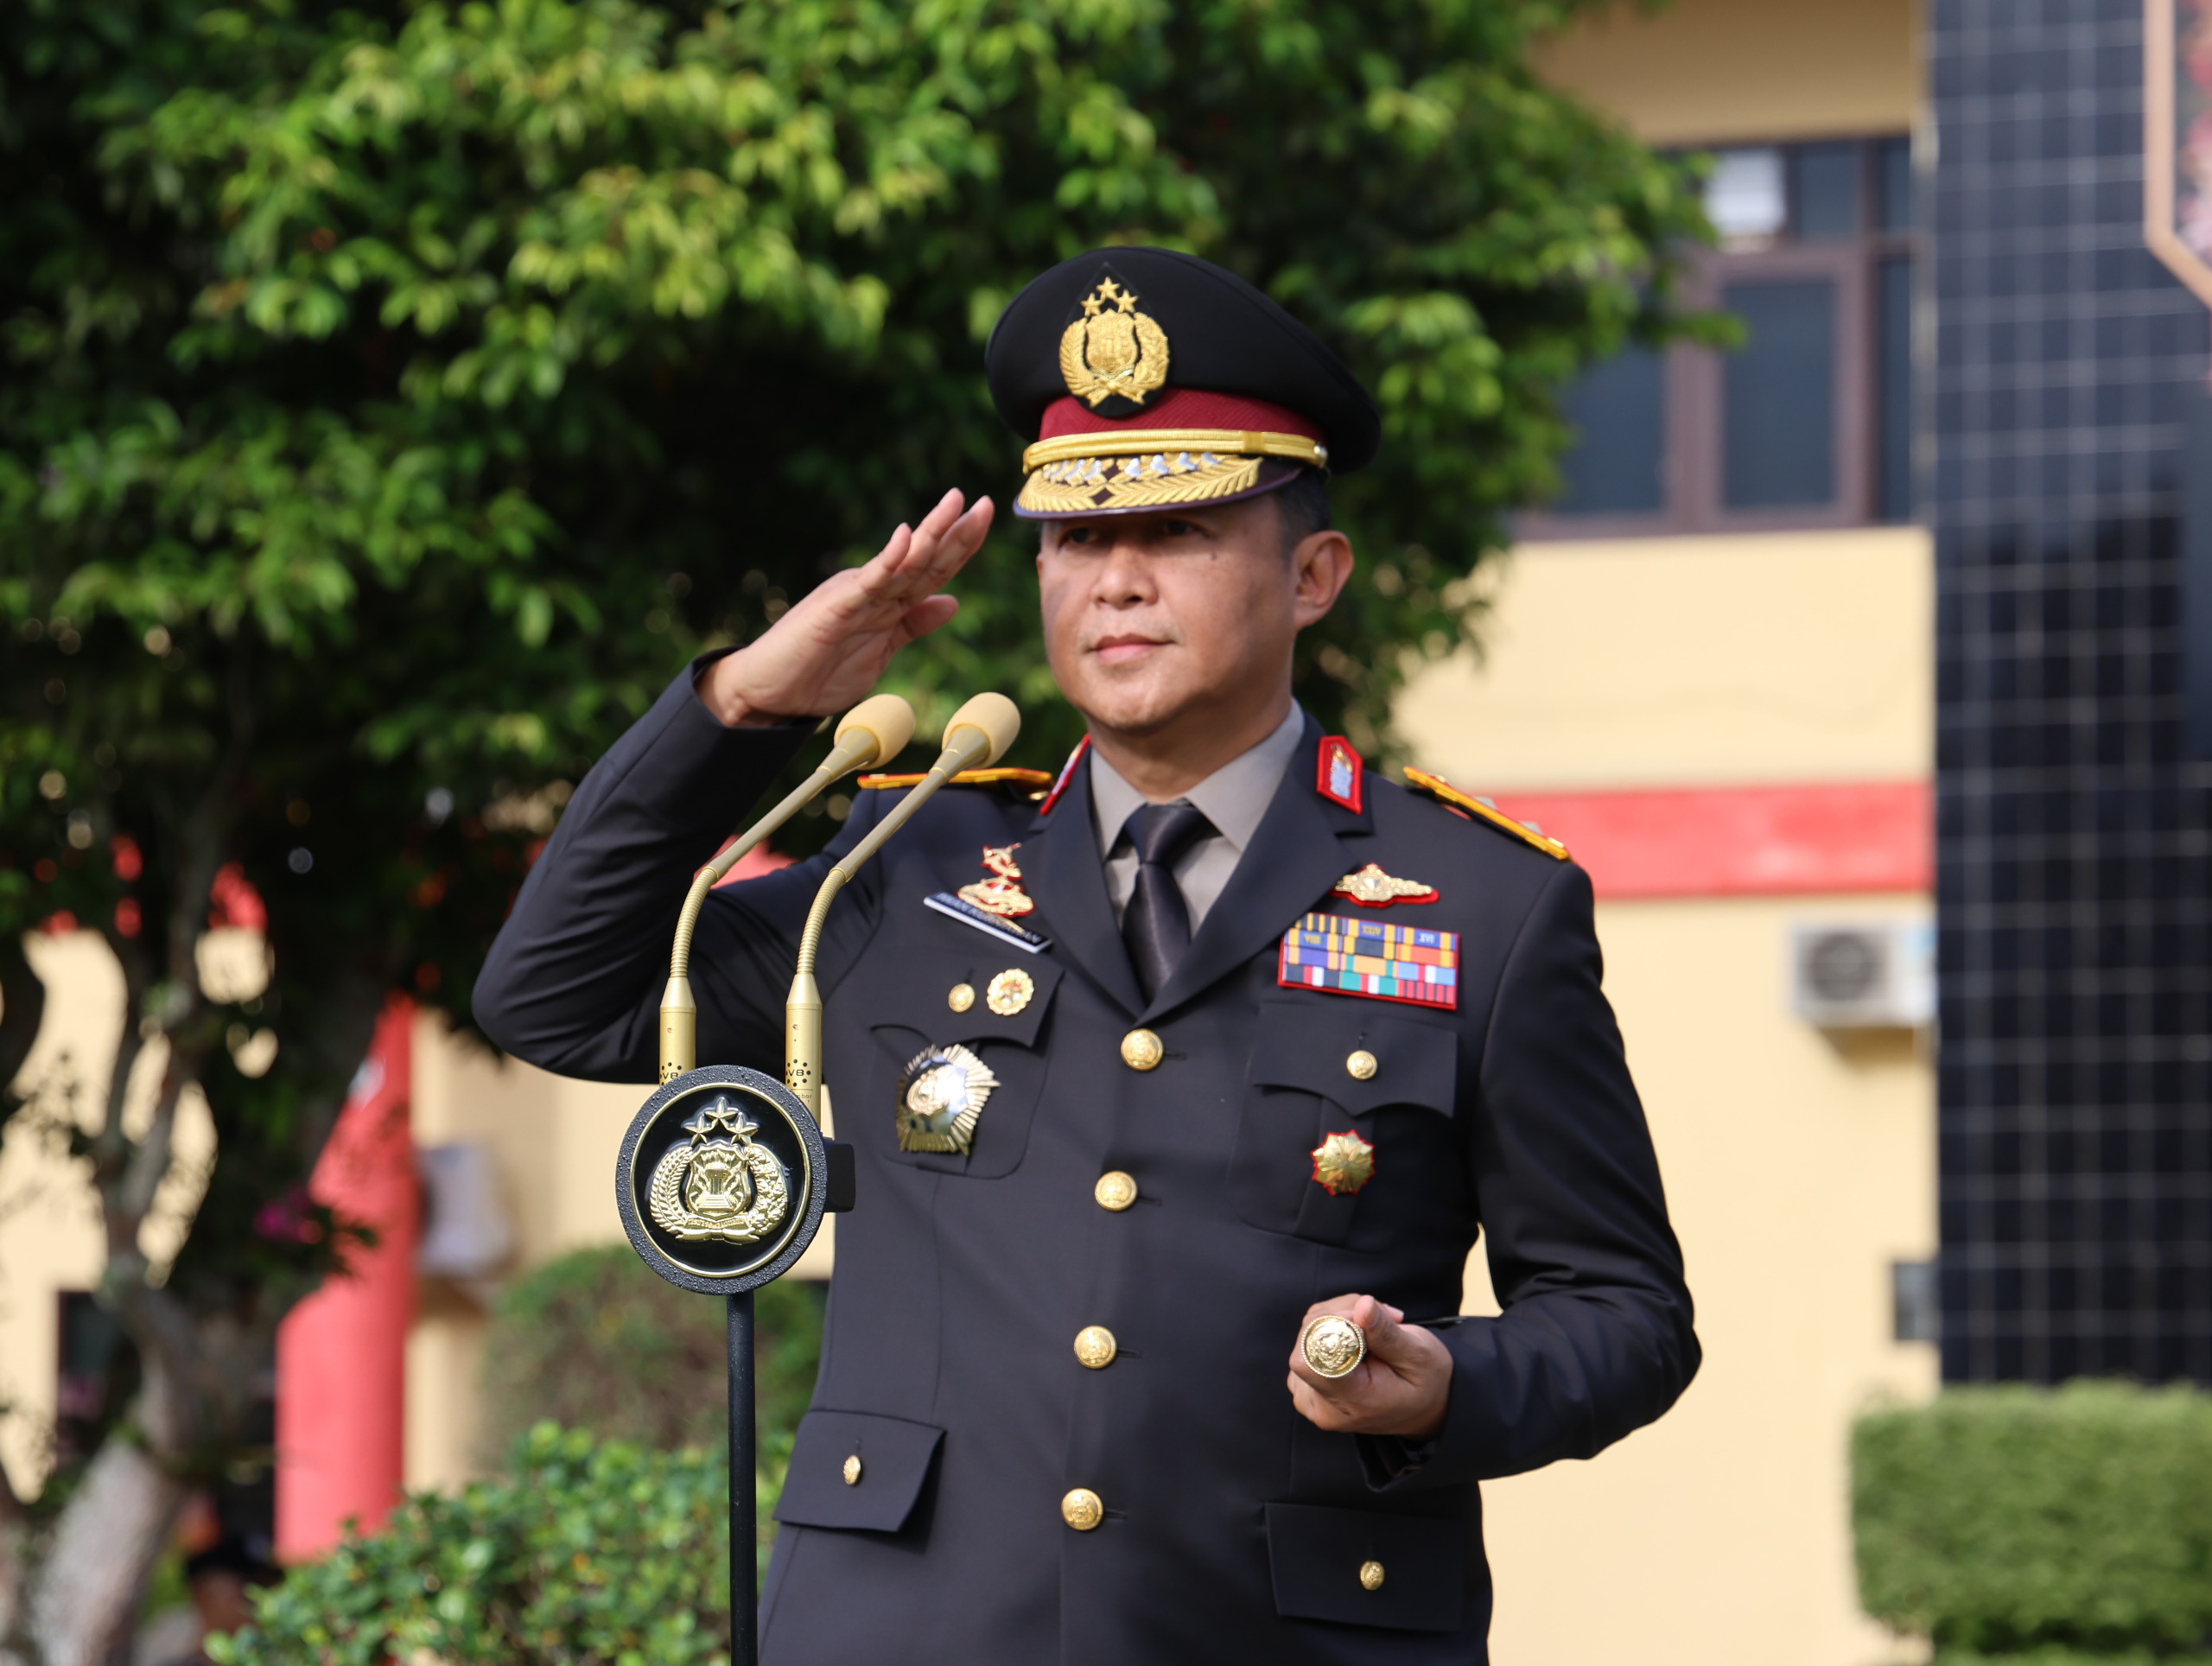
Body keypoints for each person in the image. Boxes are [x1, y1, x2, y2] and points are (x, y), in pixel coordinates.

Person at [474, 246, 1696, 1663]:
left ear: (1313, 575)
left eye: (1177, 532)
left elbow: (1623, 1313)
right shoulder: (900, 868)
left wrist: (1444, 1388)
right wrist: (742, 705)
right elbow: (557, 996)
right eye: (1073, 539)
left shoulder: (1479, 904)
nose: (1115, 581)